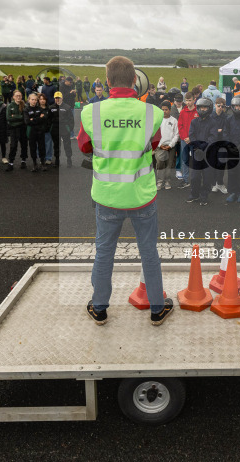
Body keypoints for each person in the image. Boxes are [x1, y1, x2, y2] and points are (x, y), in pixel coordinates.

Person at [78, 56, 172, 326]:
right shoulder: (152, 113)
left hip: (107, 197)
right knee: (149, 252)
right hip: (142, 196)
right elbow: (153, 144)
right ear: (135, 81)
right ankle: (156, 309)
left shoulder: (90, 112)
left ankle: (100, 308)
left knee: (104, 252)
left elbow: (85, 148)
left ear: (107, 82)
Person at [185, 97, 215, 205]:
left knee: (207, 177)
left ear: (209, 108)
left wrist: (204, 148)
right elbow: (192, 135)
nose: (203, 109)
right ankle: (194, 195)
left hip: (208, 154)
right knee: (194, 177)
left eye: (205, 107)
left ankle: (204, 196)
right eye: (201, 107)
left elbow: (212, 137)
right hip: (197, 153)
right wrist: (197, 148)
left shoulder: (213, 122)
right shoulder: (194, 122)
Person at [177, 92, 199, 188]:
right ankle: (186, 180)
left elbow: (199, 127)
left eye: (190, 100)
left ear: (194, 100)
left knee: (196, 160)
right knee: (184, 160)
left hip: (194, 140)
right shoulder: (182, 112)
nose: (188, 102)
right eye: (186, 100)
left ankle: (196, 180)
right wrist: (184, 137)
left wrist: (191, 138)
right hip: (184, 140)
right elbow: (180, 125)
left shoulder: (197, 112)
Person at [155, 100, 179, 189]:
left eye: (166, 110)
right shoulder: (158, 120)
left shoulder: (174, 121)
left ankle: (167, 181)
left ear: (170, 110)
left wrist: (171, 145)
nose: (164, 111)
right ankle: (159, 182)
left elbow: (176, 134)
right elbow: (155, 134)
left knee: (169, 165)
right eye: (163, 110)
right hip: (160, 146)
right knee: (160, 164)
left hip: (170, 147)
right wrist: (160, 145)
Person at [24, 92, 49, 172]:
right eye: (32, 100)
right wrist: (38, 118)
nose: (34, 101)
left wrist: (33, 119)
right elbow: (27, 121)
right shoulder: (26, 109)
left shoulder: (40, 108)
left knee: (42, 147)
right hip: (32, 132)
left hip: (40, 131)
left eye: (35, 100)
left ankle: (43, 163)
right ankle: (35, 164)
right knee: (33, 148)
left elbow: (44, 118)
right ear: (29, 100)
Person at [5, 91, 28, 171]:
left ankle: (23, 160)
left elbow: (25, 118)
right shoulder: (10, 105)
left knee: (24, 144)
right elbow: (8, 118)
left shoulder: (24, 105)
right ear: (13, 97)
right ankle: (11, 162)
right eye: (17, 96)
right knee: (13, 145)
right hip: (13, 128)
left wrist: (15, 116)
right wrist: (20, 117)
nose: (18, 97)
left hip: (22, 128)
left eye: (20, 95)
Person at [52, 92, 73, 168]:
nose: (57, 99)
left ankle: (69, 159)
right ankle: (57, 160)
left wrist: (69, 129)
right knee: (57, 145)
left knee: (67, 145)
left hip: (65, 129)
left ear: (62, 98)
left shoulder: (67, 107)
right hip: (55, 129)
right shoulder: (51, 108)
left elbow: (71, 119)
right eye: (56, 98)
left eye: (59, 98)